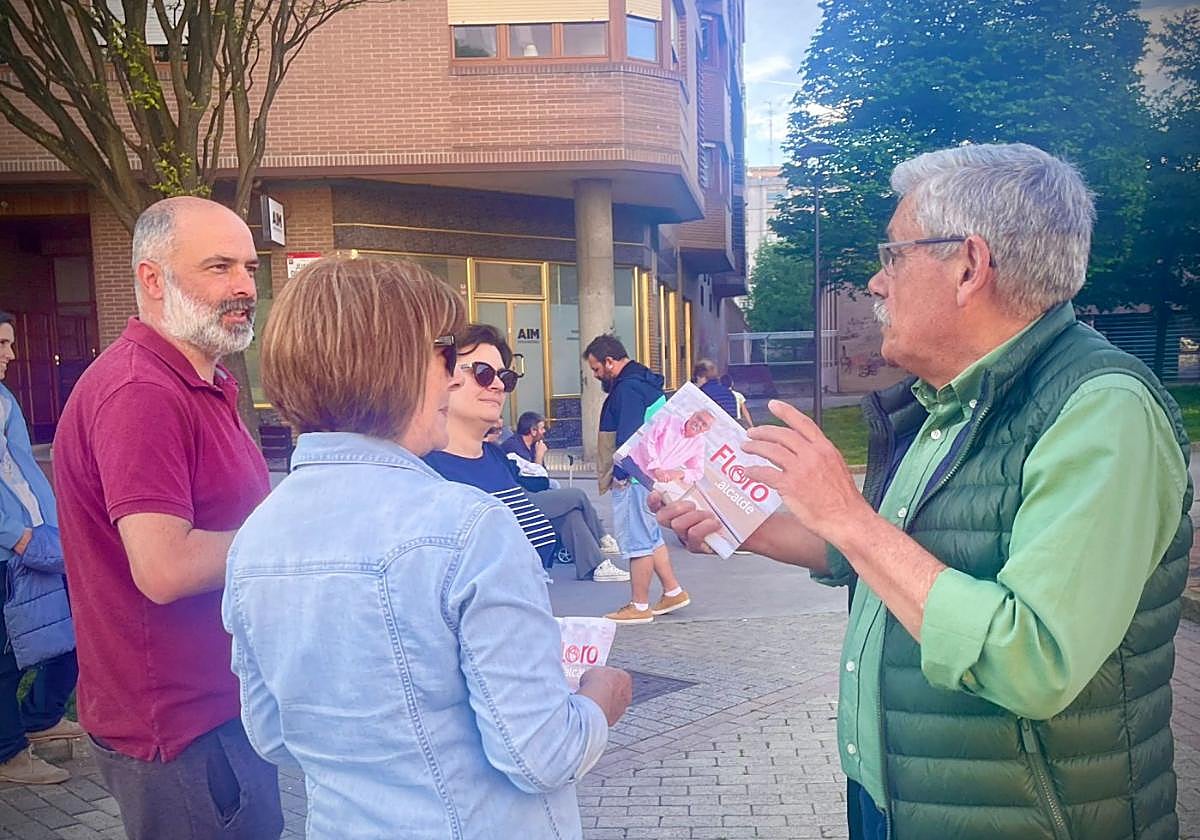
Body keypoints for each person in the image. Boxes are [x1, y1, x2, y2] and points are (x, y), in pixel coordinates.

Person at [652, 143, 1191, 839]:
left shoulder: (1102, 410)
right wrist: (744, 525)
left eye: (894, 256)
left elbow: (1033, 661)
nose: (876, 284)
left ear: (968, 267)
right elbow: (890, 558)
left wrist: (848, 515)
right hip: (897, 801)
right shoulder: (951, 401)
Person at [225, 257, 631, 839]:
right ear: (397, 366)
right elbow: (541, 754)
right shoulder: (469, 528)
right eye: (445, 357)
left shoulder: (256, 538)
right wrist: (601, 698)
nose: (451, 380)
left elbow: (272, 734)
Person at [53, 197, 283, 838]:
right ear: (153, 279)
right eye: (219, 267)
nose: (244, 287)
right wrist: (290, 536)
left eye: (249, 268)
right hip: (180, 729)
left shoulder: (200, 381)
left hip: (217, 709)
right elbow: (164, 567)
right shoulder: (142, 392)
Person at [427, 325, 629, 583]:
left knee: (571, 509)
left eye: (506, 377)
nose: (498, 385)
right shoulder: (424, 472)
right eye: (482, 373)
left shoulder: (494, 457)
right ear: (445, 376)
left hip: (530, 605)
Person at [0, 312, 80, 785]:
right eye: (2, 344)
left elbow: (18, 470)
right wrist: (15, 534)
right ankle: (8, 754)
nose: (10, 354)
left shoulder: (5, 398)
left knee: (69, 633)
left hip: (41, 541)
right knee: (6, 658)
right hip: (12, 551)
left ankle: (42, 718)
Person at [585, 334, 689, 624]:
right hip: (650, 475)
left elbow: (629, 438)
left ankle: (639, 606)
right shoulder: (645, 383)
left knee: (637, 540)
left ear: (609, 361)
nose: (595, 375)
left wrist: (620, 474)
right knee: (651, 536)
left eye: (596, 369)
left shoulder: (627, 389)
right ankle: (673, 591)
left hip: (634, 478)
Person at [627, 409, 715, 502]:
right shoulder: (670, 421)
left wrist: (680, 473)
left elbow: (698, 472)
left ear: (706, 430)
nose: (699, 423)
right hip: (632, 465)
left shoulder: (699, 444)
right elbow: (647, 442)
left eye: (704, 424)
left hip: (649, 481)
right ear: (693, 415)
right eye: (698, 418)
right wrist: (656, 468)